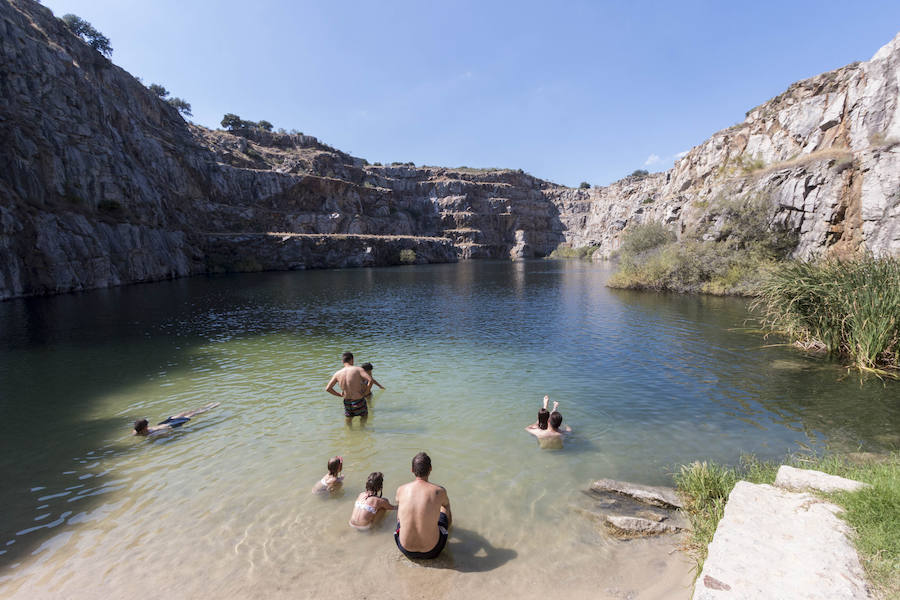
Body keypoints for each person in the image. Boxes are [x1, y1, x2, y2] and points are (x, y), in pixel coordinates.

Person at [394, 452, 452, 560]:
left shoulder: (401, 490)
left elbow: (399, 517)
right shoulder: (439, 491)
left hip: (405, 549)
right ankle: (448, 529)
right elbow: (446, 505)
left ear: (412, 470)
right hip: (432, 551)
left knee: (401, 514)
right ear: (430, 469)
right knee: (445, 506)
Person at [325, 352, 373, 423]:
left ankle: (349, 431)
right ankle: (362, 431)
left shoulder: (337, 373)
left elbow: (328, 389)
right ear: (352, 360)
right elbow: (370, 380)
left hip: (347, 402)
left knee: (349, 419)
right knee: (364, 417)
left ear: (342, 361)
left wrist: (339, 394)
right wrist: (366, 392)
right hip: (358, 400)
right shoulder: (358, 369)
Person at [132, 402, 220, 436]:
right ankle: (210, 407)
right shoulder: (150, 434)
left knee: (185, 413)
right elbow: (166, 431)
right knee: (190, 415)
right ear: (144, 428)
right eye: (147, 425)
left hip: (164, 423)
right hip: (170, 425)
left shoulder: (136, 432)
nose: (148, 425)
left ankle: (206, 406)